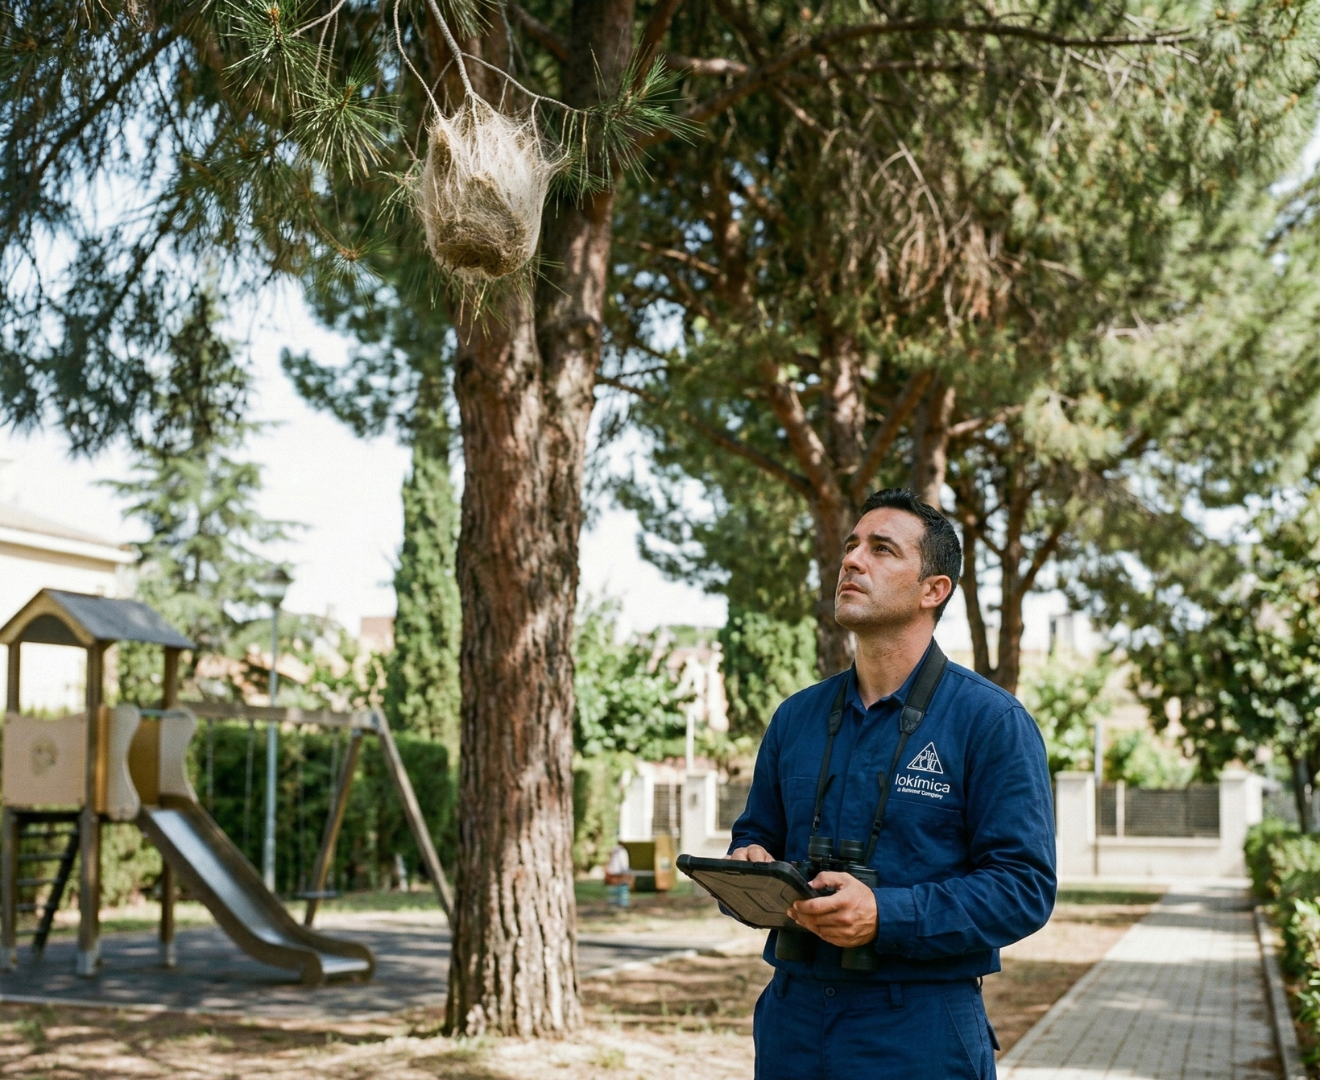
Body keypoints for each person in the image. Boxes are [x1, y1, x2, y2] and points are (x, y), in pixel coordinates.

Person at [728, 488, 1056, 1080]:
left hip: (920, 1030)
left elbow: (1024, 888)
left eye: (882, 549)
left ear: (934, 590)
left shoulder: (991, 722)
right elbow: (756, 834)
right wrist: (749, 866)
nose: (852, 560)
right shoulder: (794, 718)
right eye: (852, 545)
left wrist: (886, 913)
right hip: (791, 1020)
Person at [604, 842, 635, 908]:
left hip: (616, 871)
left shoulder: (615, 850)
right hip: (619, 871)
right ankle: (621, 902)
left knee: (619, 887)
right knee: (620, 886)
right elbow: (623, 864)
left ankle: (619, 901)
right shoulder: (621, 851)